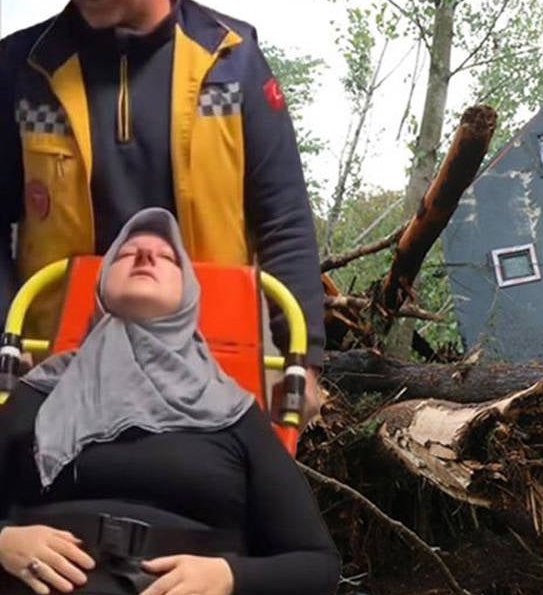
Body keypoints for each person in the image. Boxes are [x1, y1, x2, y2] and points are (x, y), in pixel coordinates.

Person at [0, 0, 326, 423]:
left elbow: (284, 217)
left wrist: (304, 360)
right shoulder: (22, 69)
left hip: (215, 368)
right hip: (55, 367)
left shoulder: (232, 60)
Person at [0, 208, 340, 595]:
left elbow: (317, 564)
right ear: (100, 285)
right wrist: (3, 543)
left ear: (189, 292)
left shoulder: (234, 412)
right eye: (127, 253)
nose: (145, 256)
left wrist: (229, 577)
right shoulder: (40, 391)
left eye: (166, 257)